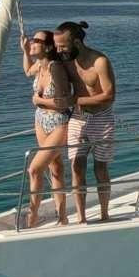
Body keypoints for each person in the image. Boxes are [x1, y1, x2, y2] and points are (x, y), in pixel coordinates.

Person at [54, 20, 116, 223]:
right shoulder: (65, 61)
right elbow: (39, 66)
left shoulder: (100, 62)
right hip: (78, 119)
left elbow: (109, 95)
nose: (59, 50)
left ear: (78, 43)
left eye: (63, 46)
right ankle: (81, 218)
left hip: (101, 118)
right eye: (57, 46)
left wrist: (75, 100)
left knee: (100, 167)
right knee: (76, 167)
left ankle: (104, 214)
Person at [20, 29, 75, 226]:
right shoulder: (39, 66)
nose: (33, 42)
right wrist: (25, 51)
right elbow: (27, 72)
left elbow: (64, 102)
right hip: (41, 121)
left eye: (37, 41)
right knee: (56, 169)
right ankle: (63, 217)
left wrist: (39, 100)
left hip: (59, 122)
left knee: (34, 169)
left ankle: (32, 217)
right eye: (33, 40)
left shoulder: (55, 68)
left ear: (49, 47)